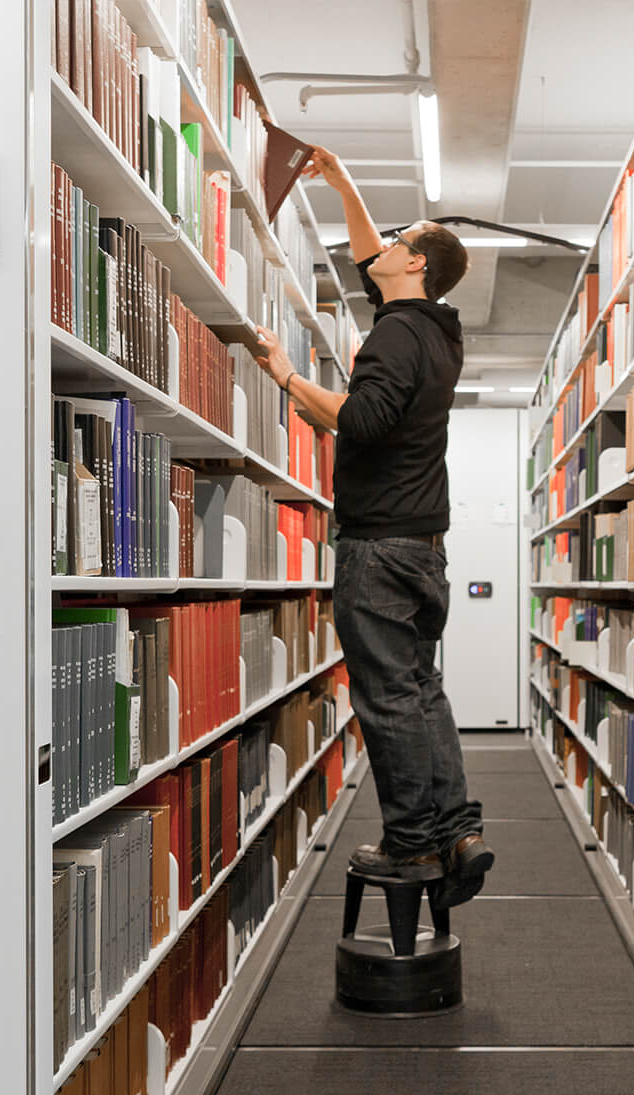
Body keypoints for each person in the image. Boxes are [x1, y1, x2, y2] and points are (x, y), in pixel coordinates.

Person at [252, 147, 493, 910]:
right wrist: (342, 179)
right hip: (423, 545)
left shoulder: (391, 337)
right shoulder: (437, 329)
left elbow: (360, 420)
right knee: (421, 688)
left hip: (379, 544)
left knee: (387, 698)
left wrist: (287, 379)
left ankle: (411, 843)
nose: (378, 248)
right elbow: (369, 257)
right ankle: (458, 830)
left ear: (415, 263)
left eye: (396, 241)